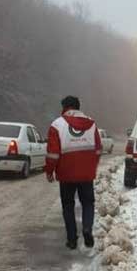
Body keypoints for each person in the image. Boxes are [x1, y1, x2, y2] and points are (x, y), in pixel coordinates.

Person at [45, 96, 102, 249]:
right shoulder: (91, 123)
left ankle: (72, 239)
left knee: (68, 205)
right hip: (86, 175)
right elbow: (98, 149)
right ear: (78, 107)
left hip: (66, 174)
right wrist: (92, 167)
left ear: (64, 107)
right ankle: (87, 229)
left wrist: (49, 171)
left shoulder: (57, 125)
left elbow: (53, 154)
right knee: (88, 203)